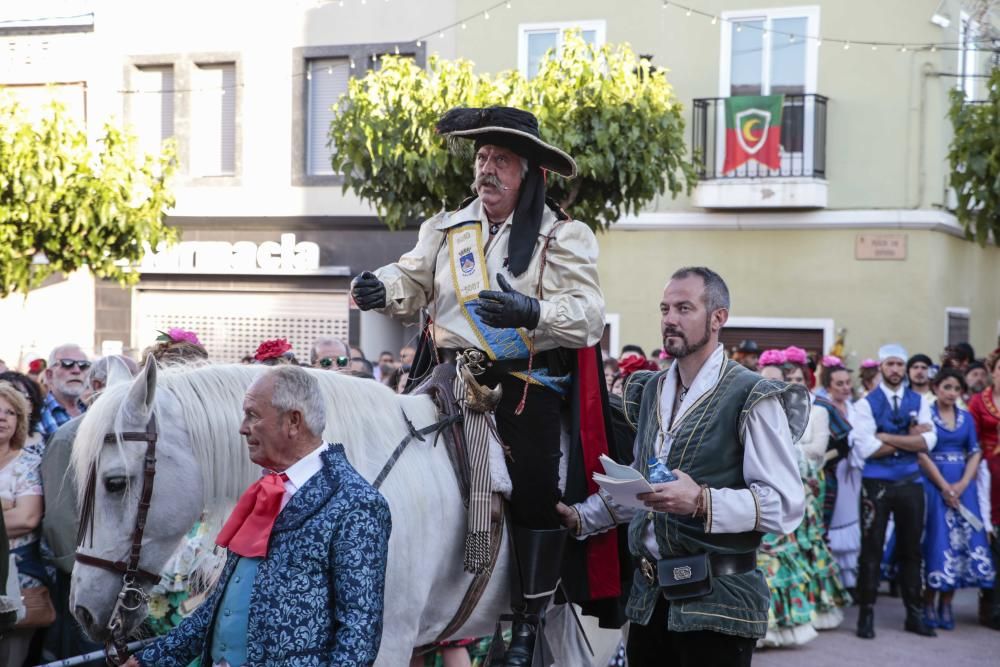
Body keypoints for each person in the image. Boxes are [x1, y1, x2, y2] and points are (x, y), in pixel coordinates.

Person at [351, 106, 606, 665]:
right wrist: (378, 286)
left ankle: (528, 618)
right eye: (483, 157)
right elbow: (411, 277)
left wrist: (531, 309)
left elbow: (588, 314)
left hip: (519, 381)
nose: (487, 169)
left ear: (530, 173)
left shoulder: (564, 235)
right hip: (442, 376)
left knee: (537, 479)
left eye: (502, 160)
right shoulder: (446, 227)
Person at [559, 267, 807, 666]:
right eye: (665, 308)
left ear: (717, 317)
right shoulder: (652, 389)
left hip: (719, 604)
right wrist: (580, 517)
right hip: (649, 600)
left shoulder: (752, 395)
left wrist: (702, 502)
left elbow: (785, 504)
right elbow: (643, 489)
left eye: (684, 308)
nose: (670, 319)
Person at [126, 365, 392, 667]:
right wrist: (148, 660)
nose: (242, 427)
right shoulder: (264, 490)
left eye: (253, 414)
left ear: (293, 422)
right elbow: (221, 605)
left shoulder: (356, 503)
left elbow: (359, 635)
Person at [41, 356, 137, 660]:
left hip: (124, 576)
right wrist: (86, 575)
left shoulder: (132, 436)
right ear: (97, 387)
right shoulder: (69, 436)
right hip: (85, 579)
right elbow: (60, 517)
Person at [852, 343, 938, 638]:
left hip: (911, 484)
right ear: (881, 367)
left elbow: (930, 442)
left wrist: (887, 436)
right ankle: (866, 614)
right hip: (876, 485)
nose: (895, 370)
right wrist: (910, 439)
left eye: (899, 364)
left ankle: (914, 615)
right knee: (871, 548)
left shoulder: (920, 399)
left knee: (912, 549)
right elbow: (867, 449)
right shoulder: (866, 403)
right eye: (890, 364)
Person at [917, 368, 995, 630]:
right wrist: (944, 487)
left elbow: (974, 452)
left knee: (961, 543)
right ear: (936, 388)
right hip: (935, 486)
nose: (951, 393)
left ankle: (947, 603)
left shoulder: (966, 418)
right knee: (937, 542)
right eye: (946, 387)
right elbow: (921, 453)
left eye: (956, 389)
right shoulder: (926, 416)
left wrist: (962, 485)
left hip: (963, 488)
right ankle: (928, 600)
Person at [0, 382, 49, 666]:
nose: (2, 418)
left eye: (10, 413)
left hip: (16, 582)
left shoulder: (28, 464)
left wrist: (14, 510)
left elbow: (27, 518)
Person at [813, 361, 863, 591]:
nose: (845, 388)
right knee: (832, 523)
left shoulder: (857, 408)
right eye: (839, 383)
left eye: (847, 383)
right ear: (828, 386)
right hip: (832, 470)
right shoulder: (825, 408)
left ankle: (848, 579)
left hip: (852, 471)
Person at [968, 351, 1000, 629]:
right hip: (989, 474)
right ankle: (990, 604)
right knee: (991, 538)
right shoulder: (979, 402)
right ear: (993, 371)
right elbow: (973, 441)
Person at [38, 344, 90, 438]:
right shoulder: (36, 415)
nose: (77, 371)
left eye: (83, 365)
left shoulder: (94, 411)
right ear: (49, 375)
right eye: (67, 364)